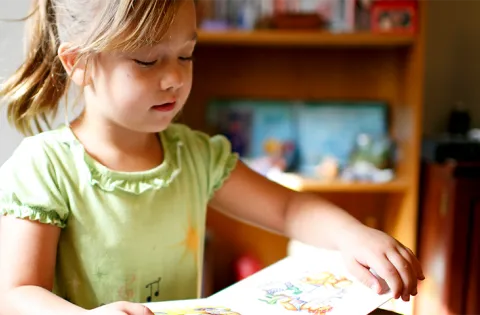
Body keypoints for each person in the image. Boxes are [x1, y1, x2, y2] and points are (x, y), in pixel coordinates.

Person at [0, 0, 424, 314]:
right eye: (148, 60)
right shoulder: (44, 167)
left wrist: (353, 236)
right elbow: (16, 293)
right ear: (79, 64)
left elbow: (290, 207)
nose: (175, 78)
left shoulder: (196, 155)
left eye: (186, 55)